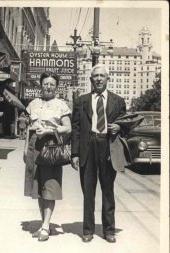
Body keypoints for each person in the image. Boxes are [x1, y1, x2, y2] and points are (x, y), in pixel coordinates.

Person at [71, 64, 131, 243]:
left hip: (108, 146)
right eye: (95, 76)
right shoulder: (81, 101)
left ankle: (109, 230)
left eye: (102, 76)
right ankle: (88, 230)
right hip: (87, 145)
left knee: (108, 190)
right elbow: (75, 128)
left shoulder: (118, 101)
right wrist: (75, 153)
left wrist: (119, 127)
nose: (98, 79)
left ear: (107, 79)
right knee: (88, 191)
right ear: (91, 80)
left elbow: (126, 125)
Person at [23, 72, 71, 242]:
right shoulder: (33, 104)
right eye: (45, 84)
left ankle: (45, 226)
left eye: (52, 84)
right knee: (37, 188)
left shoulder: (61, 105)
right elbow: (29, 128)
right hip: (34, 147)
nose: (48, 87)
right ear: (41, 85)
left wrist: (51, 130)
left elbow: (68, 128)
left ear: (56, 86)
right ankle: (45, 224)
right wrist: (25, 148)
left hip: (51, 147)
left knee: (49, 186)